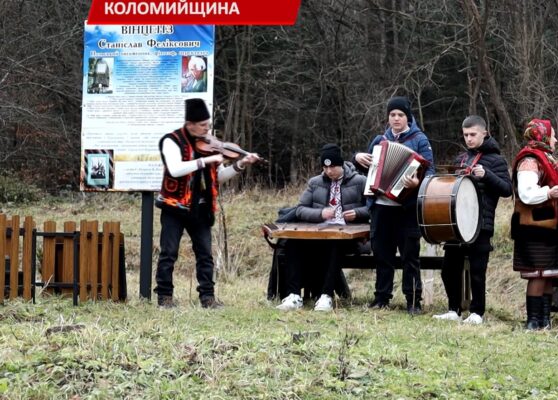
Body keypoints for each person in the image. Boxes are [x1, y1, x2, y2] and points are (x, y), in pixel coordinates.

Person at [155, 98, 260, 308]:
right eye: (203, 125)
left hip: (201, 207)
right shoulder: (171, 141)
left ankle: (208, 298)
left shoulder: (210, 145)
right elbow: (175, 169)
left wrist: (240, 164)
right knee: (169, 253)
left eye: (208, 124)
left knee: (205, 254)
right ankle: (164, 297)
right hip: (174, 206)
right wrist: (206, 160)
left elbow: (218, 177)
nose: (207, 128)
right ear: (190, 124)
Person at [353, 96, 435, 314]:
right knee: (382, 254)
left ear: (407, 116)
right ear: (388, 117)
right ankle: (382, 298)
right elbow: (367, 170)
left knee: (410, 256)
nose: (396, 119)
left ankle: (413, 300)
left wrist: (417, 182)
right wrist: (357, 158)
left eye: (400, 115)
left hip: (406, 209)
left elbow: (431, 173)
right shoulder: (379, 140)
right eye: (392, 115)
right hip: (380, 207)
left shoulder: (420, 140)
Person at [432, 116, 512, 325]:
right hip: (457, 222)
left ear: (484, 133)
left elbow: (506, 189)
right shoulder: (461, 158)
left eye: (473, 135)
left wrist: (486, 175)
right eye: (466, 135)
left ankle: (477, 313)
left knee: (478, 271)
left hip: (481, 223)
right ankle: (454, 309)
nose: (469, 139)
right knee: (449, 269)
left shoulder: (497, 160)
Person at [275, 144, 370, 312]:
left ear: (341, 165)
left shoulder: (360, 181)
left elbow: (373, 208)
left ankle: (326, 296)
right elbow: (300, 209)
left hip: (350, 237)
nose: (329, 171)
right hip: (319, 233)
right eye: (325, 167)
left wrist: (357, 213)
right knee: (292, 243)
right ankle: (294, 295)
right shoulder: (315, 183)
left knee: (334, 245)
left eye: (332, 166)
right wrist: (321, 213)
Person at [511, 119, 558, 330]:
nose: (555, 139)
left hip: (552, 226)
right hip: (535, 227)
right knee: (538, 274)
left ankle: (545, 321)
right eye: (553, 135)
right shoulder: (529, 159)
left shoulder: (549, 159)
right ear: (542, 135)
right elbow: (526, 193)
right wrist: (549, 193)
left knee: (549, 274)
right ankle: (533, 321)